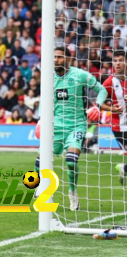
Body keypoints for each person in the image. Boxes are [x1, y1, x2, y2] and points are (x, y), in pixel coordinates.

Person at [35, 47, 107, 212]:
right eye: (54, 57)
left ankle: (72, 192)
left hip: (76, 125)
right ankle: (39, 184)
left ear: (68, 58)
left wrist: (98, 106)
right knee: (40, 160)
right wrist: (40, 121)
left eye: (60, 57)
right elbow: (43, 101)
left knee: (71, 161)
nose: (56, 60)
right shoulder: (48, 78)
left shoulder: (80, 75)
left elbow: (101, 90)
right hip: (55, 126)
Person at [101, 50, 127, 184]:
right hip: (120, 128)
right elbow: (99, 104)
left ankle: (124, 168)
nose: (117, 63)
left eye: (120, 60)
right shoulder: (109, 82)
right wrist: (112, 109)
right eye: (115, 61)